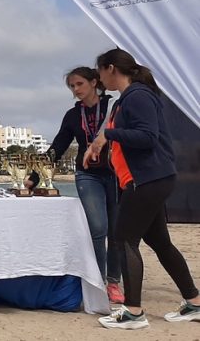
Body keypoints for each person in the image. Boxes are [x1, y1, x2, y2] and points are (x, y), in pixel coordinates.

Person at [86, 48, 200, 330]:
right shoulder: (125, 101)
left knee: (123, 240)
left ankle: (133, 312)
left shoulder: (138, 96)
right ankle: (194, 302)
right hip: (144, 180)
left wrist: (108, 135)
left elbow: (147, 137)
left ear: (111, 68)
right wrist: (102, 142)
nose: (99, 78)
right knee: (160, 242)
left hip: (148, 180)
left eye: (99, 71)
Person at [48, 66, 123, 303]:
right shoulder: (72, 115)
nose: (75, 90)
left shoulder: (114, 106)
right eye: (72, 86)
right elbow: (58, 145)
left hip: (115, 173)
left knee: (116, 231)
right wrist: (34, 175)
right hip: (87, 175)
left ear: (94, 82)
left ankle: (114, 282)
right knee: (97, 228)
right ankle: (96, 280)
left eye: (79, 84)